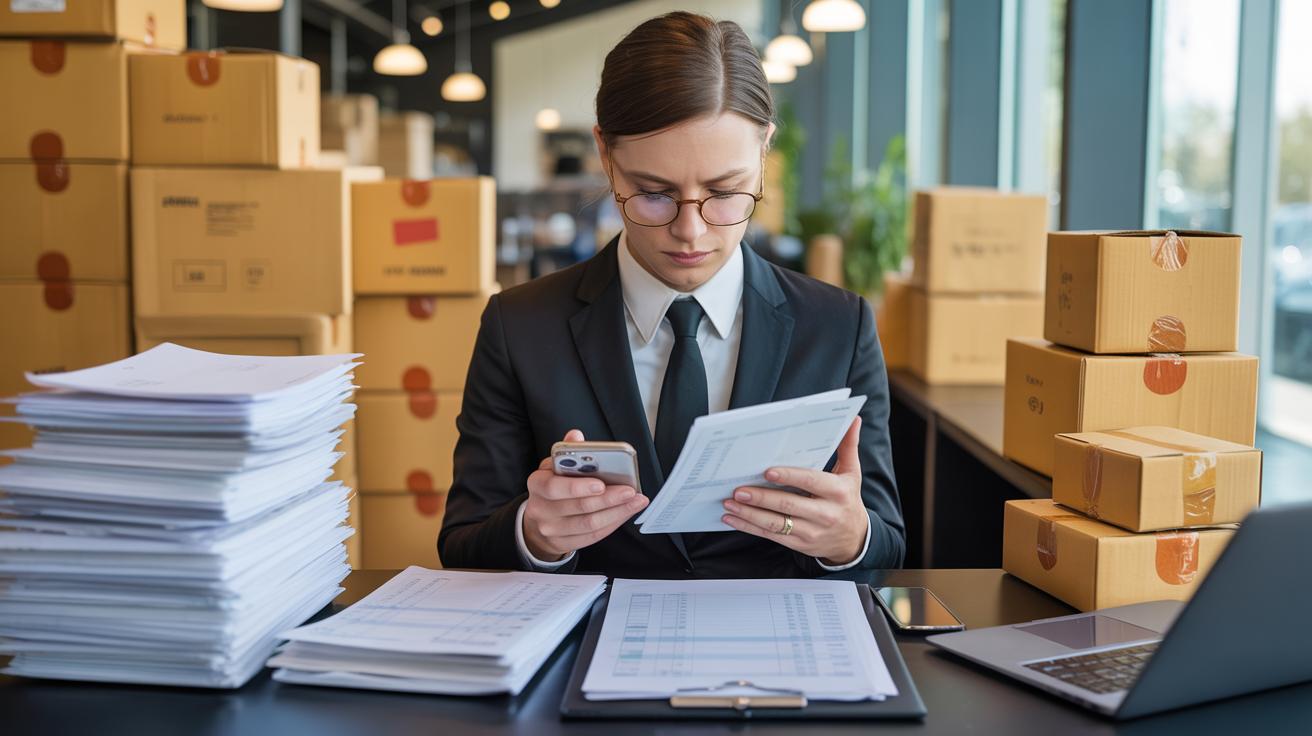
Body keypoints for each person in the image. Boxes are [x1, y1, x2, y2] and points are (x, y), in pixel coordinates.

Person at [438, 11, 905, 578]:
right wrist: (534, 534)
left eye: (725, 192)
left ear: (763, 154)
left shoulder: (838, 325)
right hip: (589, 645)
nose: (691, 231)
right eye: (654, 194)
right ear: (606, 157)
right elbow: (462, 542)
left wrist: (849, 537)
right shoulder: (521, 325)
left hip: (771, 653)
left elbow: (886, 540)